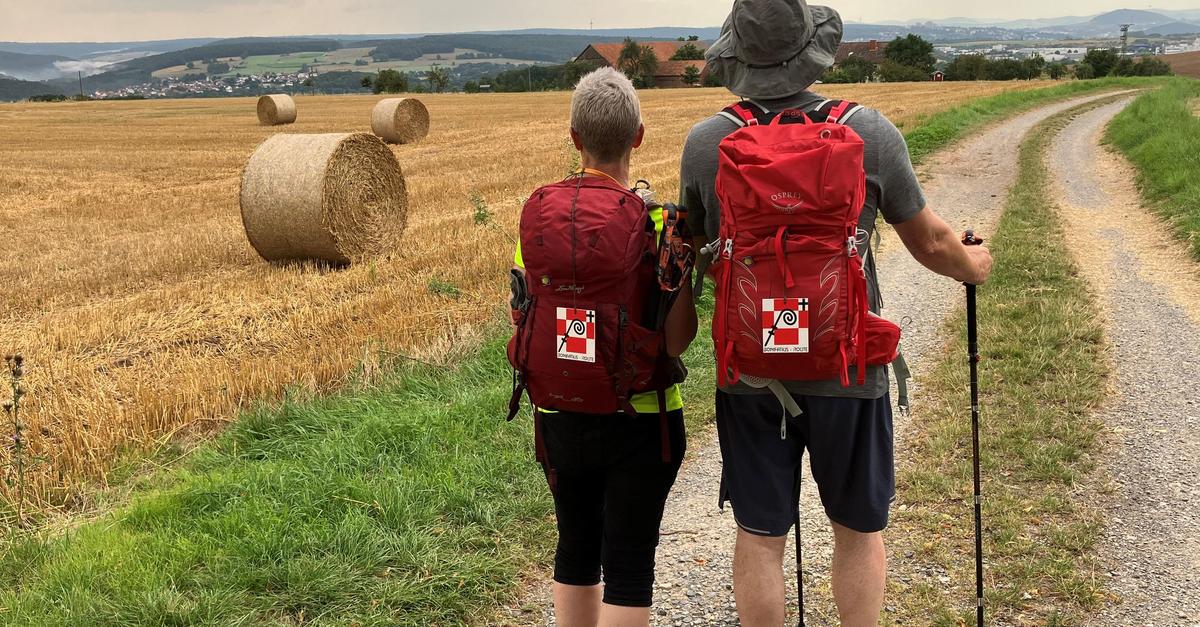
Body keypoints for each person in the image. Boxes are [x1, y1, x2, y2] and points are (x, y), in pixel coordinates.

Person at [679, 1, 994, 625]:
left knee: (761, 534)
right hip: (848, 363)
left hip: (750, 370)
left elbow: (695, 255)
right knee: (856, 529)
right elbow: (932, 244)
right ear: (812, 50)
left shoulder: (709, 142)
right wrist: (973, 264)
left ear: (737, 55)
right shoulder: (868, 133)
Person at [509, 67, 698, 627]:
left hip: (559, 412)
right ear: (639, 135)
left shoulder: (538, 220)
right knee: (630, 564)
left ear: (574, 138)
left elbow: (524, 313)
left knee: (575, 549)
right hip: (643, 417)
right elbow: (677, 338)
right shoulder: (664, 225)